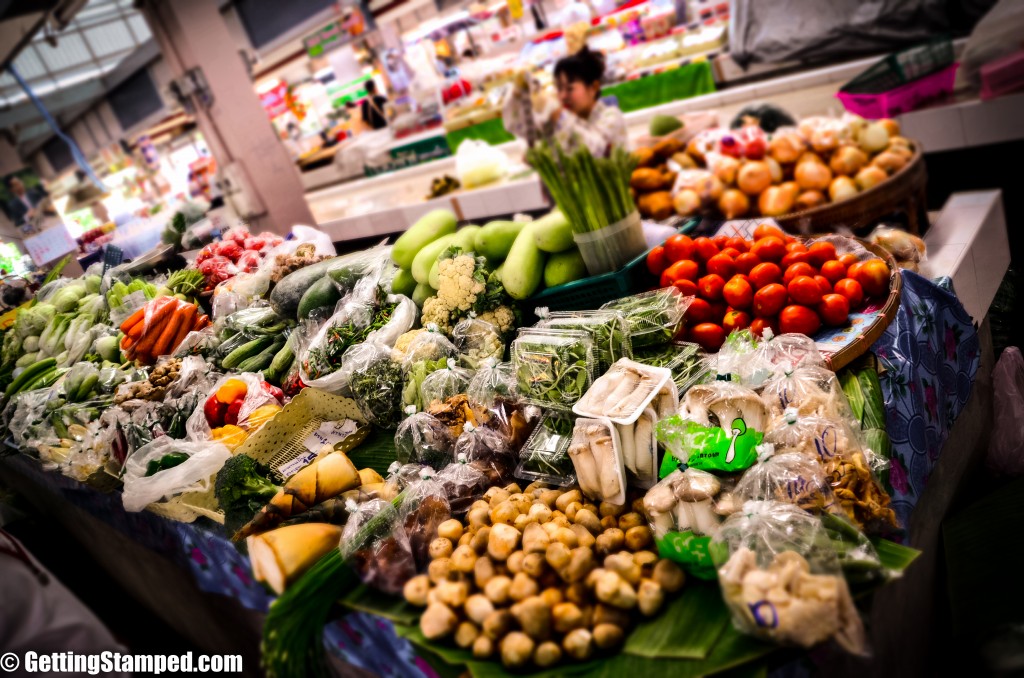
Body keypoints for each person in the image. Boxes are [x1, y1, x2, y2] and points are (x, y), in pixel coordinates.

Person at [504, 47, 627, 157]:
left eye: (569, 89)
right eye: (559, 88)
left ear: (593, 87)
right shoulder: (564, 121)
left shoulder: (611, 116)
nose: (562, 96)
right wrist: (518, 93)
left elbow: (596, 151)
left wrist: (557, 115)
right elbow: (518, 127)